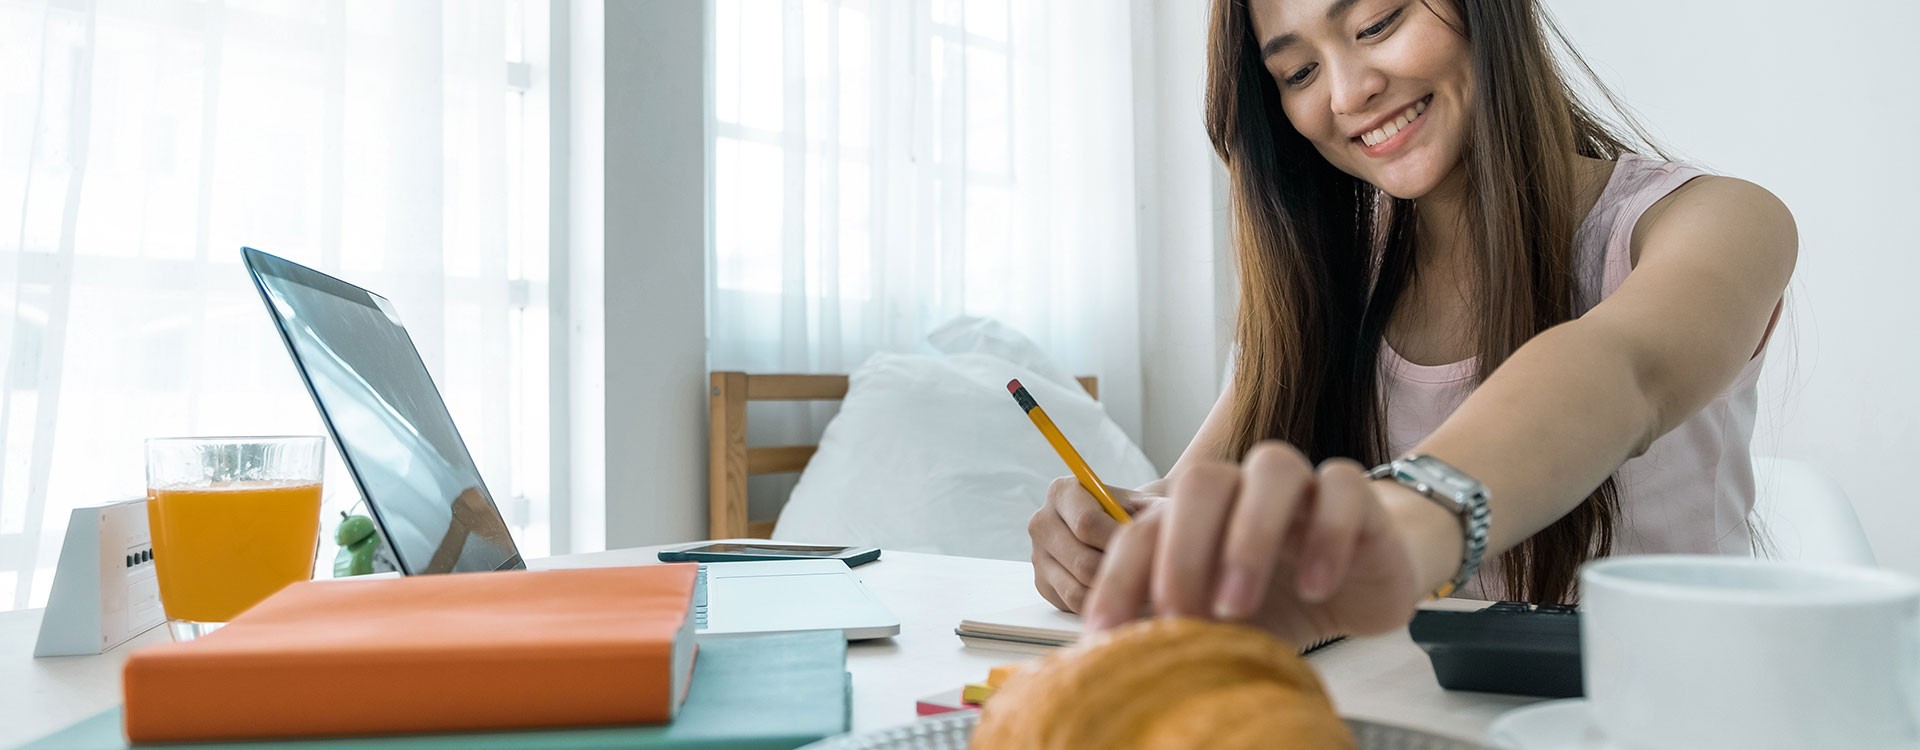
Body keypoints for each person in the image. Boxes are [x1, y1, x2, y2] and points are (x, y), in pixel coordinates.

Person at [1027, 0, 1794, 647]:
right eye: (1298, 73)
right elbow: (1183, 498)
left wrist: (1400, 522)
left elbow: (1621, 371)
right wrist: (1114, 543)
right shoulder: (1329, 287)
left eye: (1377, 22)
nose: (1348, 92)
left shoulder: (1715, 220)